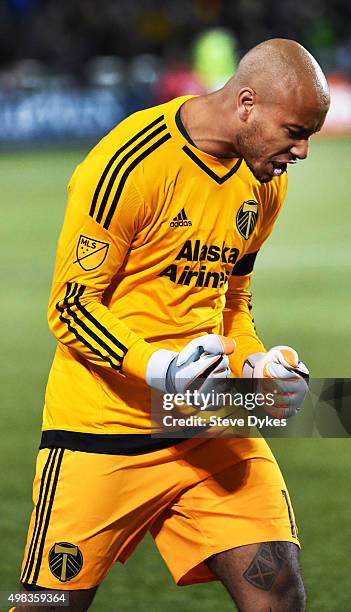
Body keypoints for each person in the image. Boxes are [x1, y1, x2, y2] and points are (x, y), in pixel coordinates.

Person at [15, 39, 329, 612]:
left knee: (279, 593)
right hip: (102, 430)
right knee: (42, 605)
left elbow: (231, 298)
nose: (302, 151)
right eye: (294, 131)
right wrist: (162, 370)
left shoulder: (264, 181)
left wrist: (258, 365)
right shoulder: (129, 165)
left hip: (210, 422)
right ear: (247, 104)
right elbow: (71, 307)